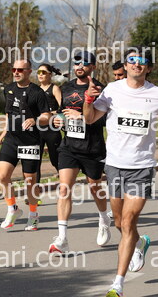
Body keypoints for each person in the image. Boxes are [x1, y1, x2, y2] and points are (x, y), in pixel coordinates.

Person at [82, 47, 158, 297]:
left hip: (141, 167)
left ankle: (117, 284)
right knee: (119, 222)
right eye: (132, 60)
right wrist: (88, 99)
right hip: (115, 165)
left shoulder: (157, 94)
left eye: (142, 61)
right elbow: (90, 118)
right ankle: (139, 243)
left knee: (129, 221)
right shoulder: (112, 90)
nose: (136, 64)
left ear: (148, 68)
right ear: (126, 64)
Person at [48, 51, 111, 254]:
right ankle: (62, 238)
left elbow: (105, 119)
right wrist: (58, 120)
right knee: (64, 188)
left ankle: (104, 218)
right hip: (69, 147)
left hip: (92, 148)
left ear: (92, 67)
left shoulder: (101, 89)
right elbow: (62, 112)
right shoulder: (66, 87)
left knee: (95, 187)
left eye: (84, 63)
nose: (79, 66)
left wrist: (81, 116)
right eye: (76, 63)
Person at [0, 59, 51, 231]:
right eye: (14, 69)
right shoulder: (9, 89)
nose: (16, 72)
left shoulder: (37, 92)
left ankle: (33, 215)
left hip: (30, 141)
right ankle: (12, 208)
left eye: (20, 69)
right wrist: (5, 130)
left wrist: (35, 120)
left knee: (30, 180)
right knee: (3, 176)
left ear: (29, 71)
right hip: (12, 139)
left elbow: (47, 115)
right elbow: (9, 112)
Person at [35, 64, 62, 204]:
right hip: (37, 130)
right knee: (35, 162)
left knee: (55, 160)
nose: (40, 74)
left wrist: (49, 113)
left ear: (50, 74)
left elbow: (62, 108)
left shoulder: (54, 88)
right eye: (38, 72)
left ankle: (65, 187)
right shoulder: (34, 89)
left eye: (43, 72)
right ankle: (35, 195)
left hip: (52, 129)